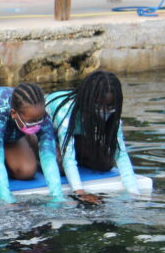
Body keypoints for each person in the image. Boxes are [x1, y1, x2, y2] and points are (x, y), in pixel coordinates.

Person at [46, 70, 140, 202]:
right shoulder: (66, 111)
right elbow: (68, 156)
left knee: (105, 163)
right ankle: (38, 158)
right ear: (88, 101)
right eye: (99, 106)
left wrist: (134, 194)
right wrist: (79, 192)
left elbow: (121, 154)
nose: (105, 112)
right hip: (46, 135)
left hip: (77, 137)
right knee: (61, 166)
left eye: (110, 107)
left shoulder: (113, 116)